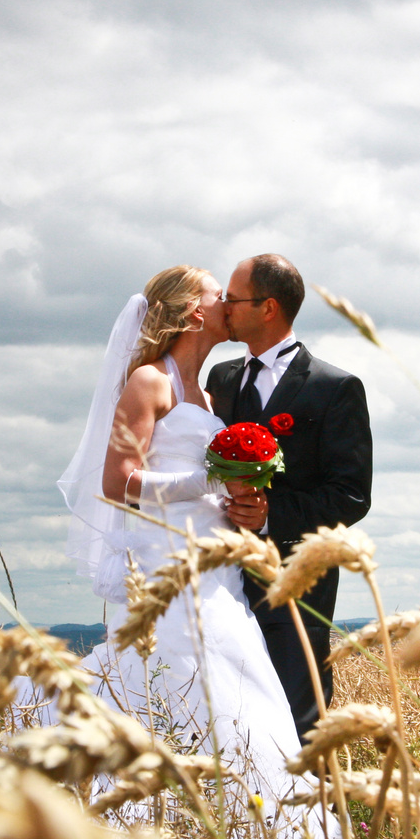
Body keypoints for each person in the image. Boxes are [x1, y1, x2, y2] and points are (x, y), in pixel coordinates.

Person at [58, 265, 308, 808]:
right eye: (223, 296)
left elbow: (199, 489)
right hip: (166, 568)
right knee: (179, 682)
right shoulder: (151, 380)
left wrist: (237, 501)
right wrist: (208, 480)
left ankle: (241, 815)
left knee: (239, 692)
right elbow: (117, 481)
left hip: (217, 569)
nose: (231, 304)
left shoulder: (211, 396)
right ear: (196, 311)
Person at [206, 254, 372, 742]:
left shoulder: (335, 388)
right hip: (218, 584)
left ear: (268, 308)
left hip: (296, 585)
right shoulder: (219, 380)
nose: (224, 307)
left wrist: (269, 515)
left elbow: (351, 495)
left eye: (232, 299)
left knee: (297, 730)